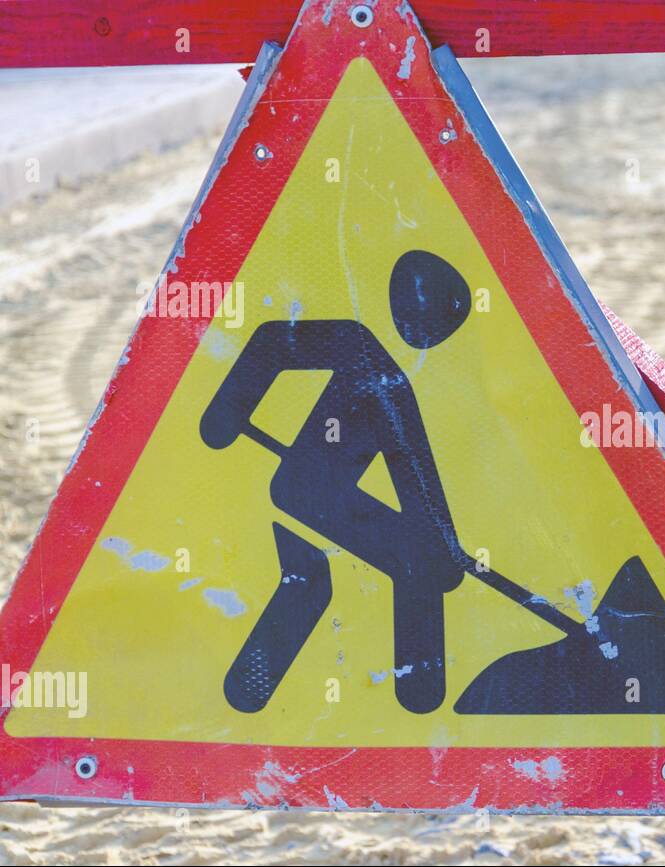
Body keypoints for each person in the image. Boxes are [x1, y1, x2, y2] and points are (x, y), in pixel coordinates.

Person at [200, 251, 471, 715]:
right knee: (384, 569)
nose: (431, 333)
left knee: (323, 578)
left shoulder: (395, 384)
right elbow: (270, 344)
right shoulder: (359, 346)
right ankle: (418, 691)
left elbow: (414, 473)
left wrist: (443, 547)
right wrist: (224, 416)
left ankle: (416, 692)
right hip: (307, 487)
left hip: (326, 494)